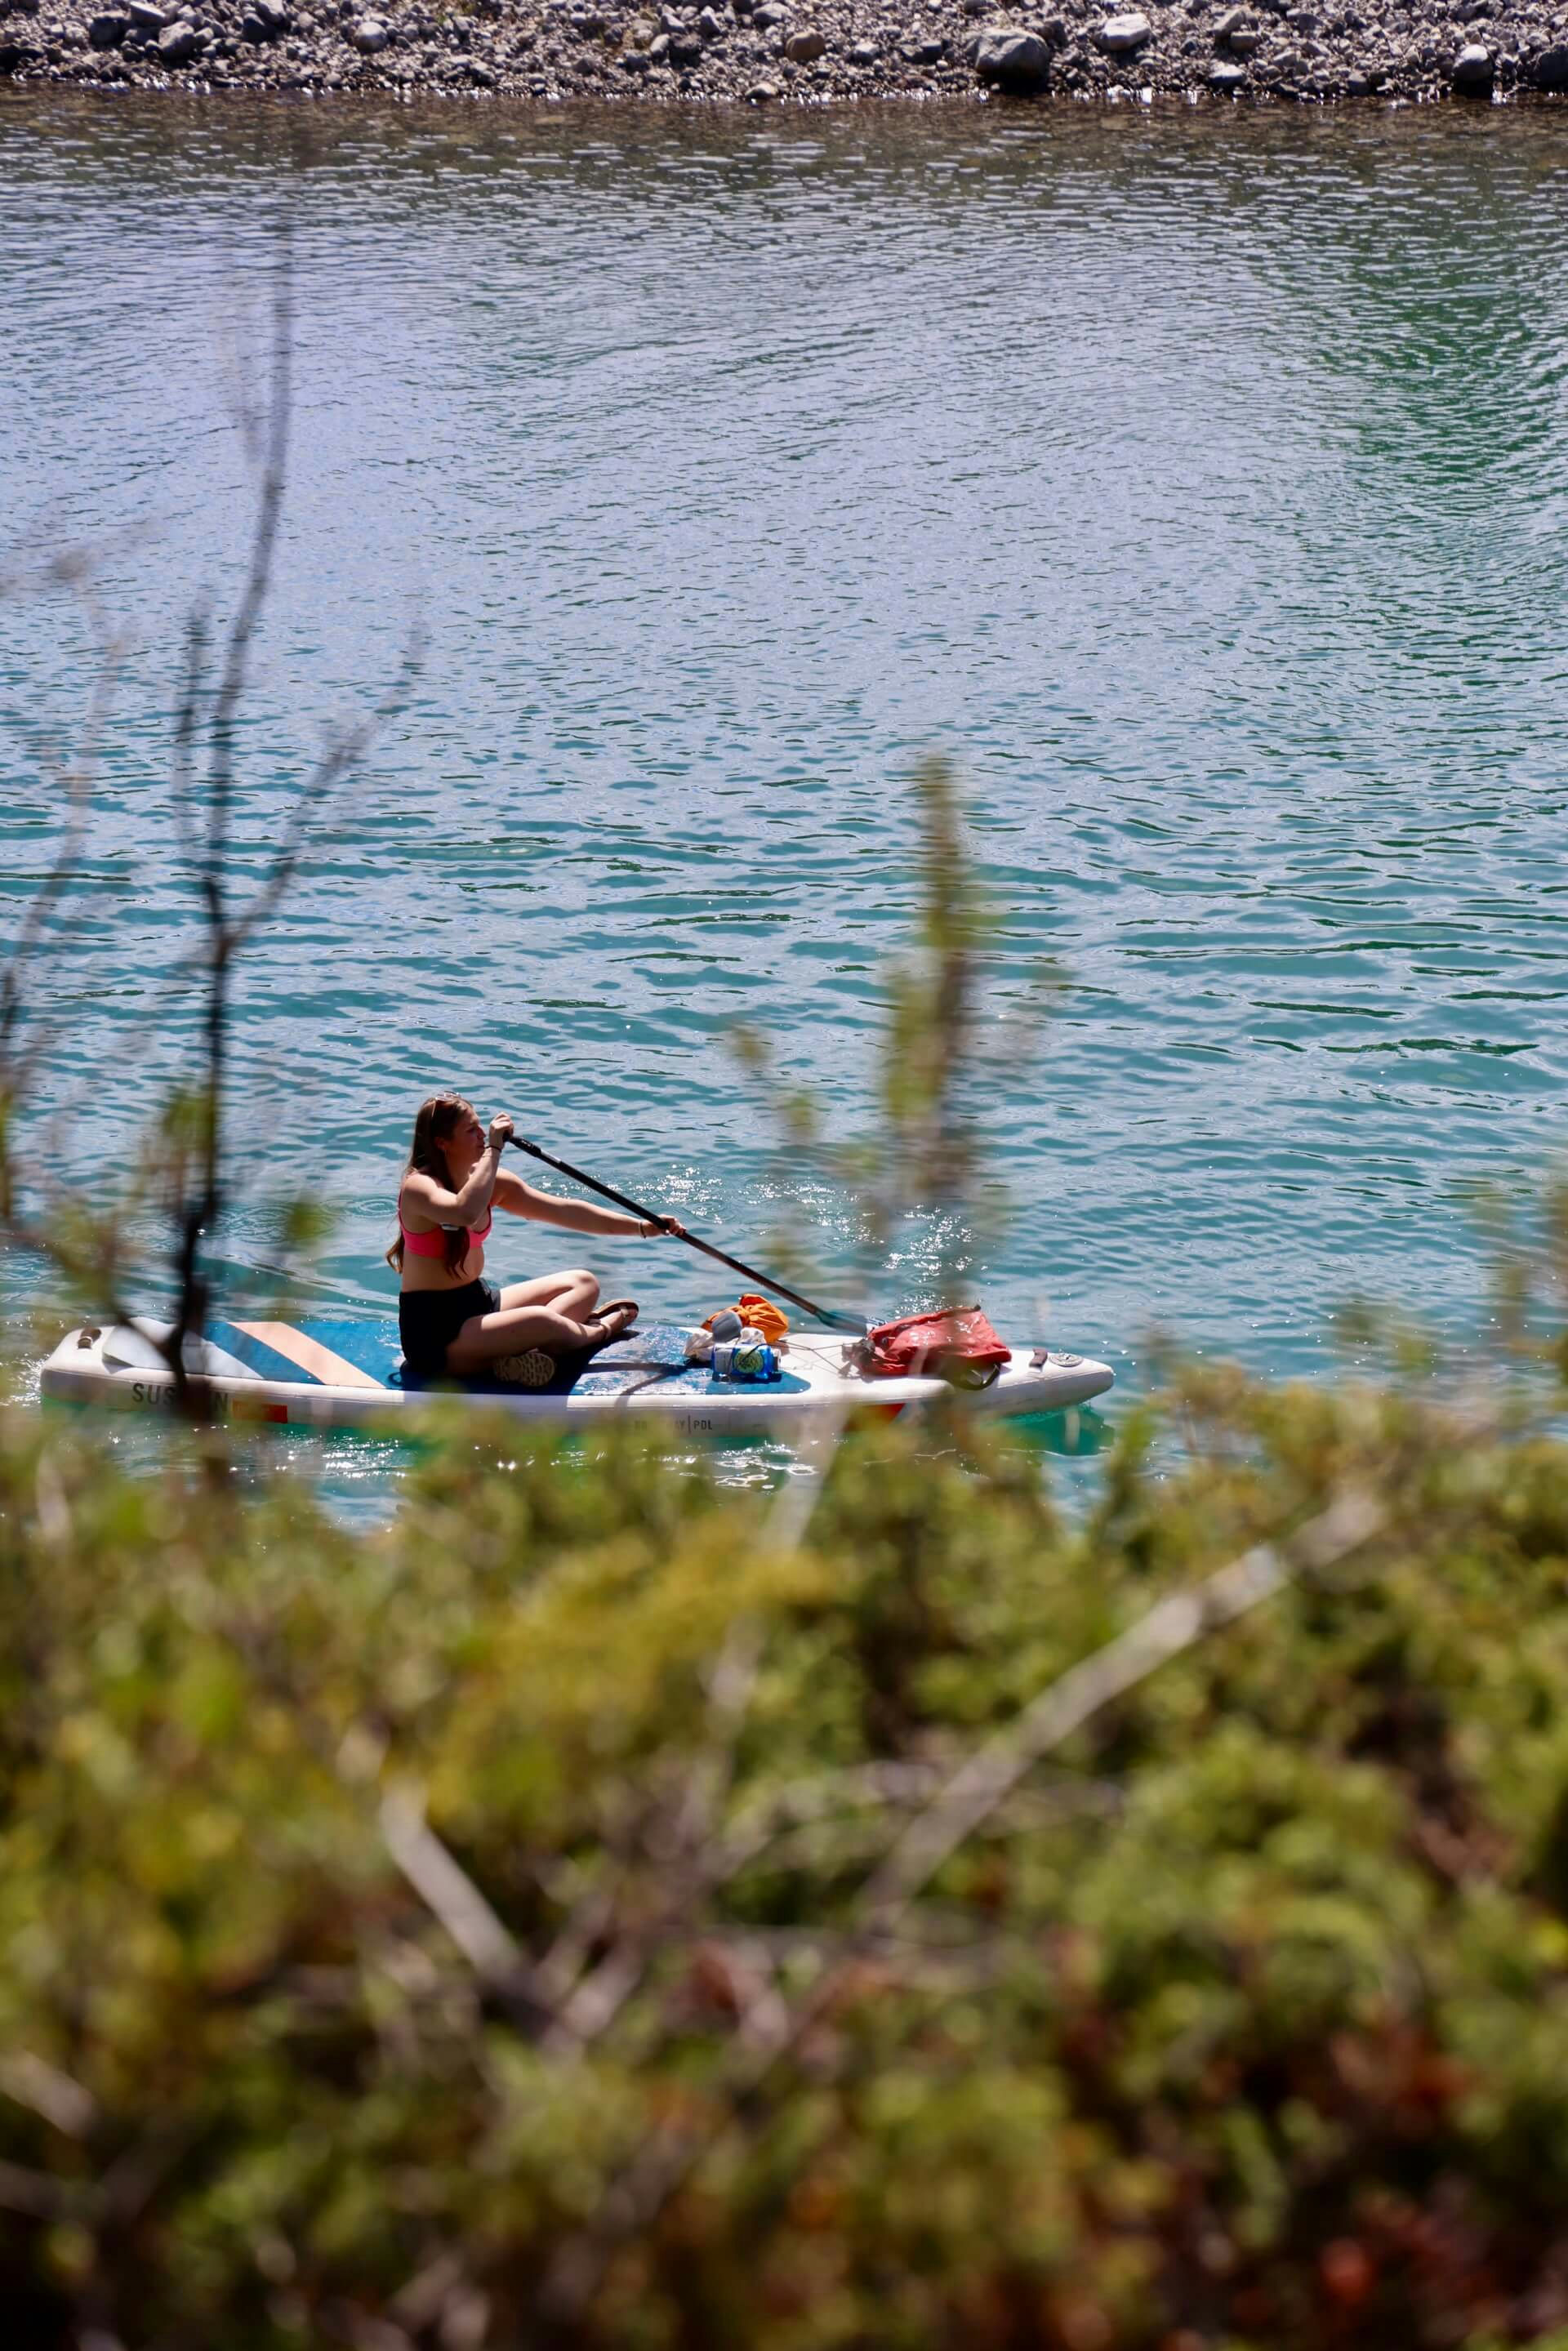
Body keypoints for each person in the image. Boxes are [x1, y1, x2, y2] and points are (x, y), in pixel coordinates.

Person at [389, 1094, 684, 1382]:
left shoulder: (491, 1181)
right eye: (470, 1130)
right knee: (540, 1321)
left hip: (478, 1302)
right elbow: (463, 1212)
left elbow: (566, 1212)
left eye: (481, 1126)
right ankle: (600, 1330)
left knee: (583, 1283)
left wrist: (643, 1227)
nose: (481, 1134)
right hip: (437, 1334)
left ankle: (525, 1351)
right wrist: (494, 1149)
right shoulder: (419, 1187)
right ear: (442, 1143)